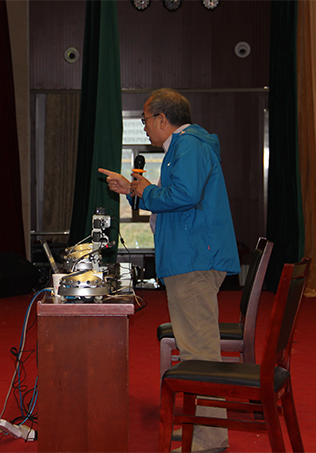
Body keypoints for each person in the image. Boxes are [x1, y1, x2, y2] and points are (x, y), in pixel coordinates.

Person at [98, 88, 240, 453]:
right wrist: (133, 189)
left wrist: (145, 191)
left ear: (163, 119)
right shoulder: (183, 146)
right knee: (195, 348)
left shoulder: (189, 145)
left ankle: (209, 438)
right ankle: (202, 431)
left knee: (199, 352)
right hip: (189, 257)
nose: (144, 127)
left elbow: (185, 196)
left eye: (146, 119)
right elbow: (176, 198)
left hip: (193, 260)